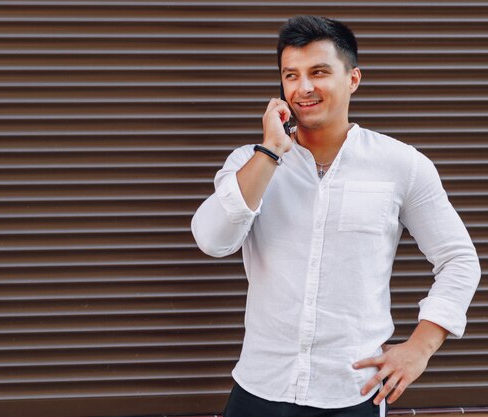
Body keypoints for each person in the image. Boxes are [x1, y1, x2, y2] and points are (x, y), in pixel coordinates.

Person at [191, 15, 481, 417]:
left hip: (351, 391)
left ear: (353, 79)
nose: (303, 87)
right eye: (291, 75)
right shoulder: (250, 162)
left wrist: (419, 349)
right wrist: (271, 151)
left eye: (319, 72)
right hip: (260, 386)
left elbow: (459, 260)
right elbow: (212, 239)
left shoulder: (401, 164)